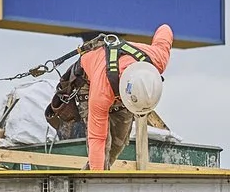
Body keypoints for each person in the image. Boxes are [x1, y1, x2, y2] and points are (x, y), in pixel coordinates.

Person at [51, 23, 173, 169]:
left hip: (120, 85)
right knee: (102, 150)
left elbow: (165, 29)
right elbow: (97, 138)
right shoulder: (101, 90)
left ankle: (100, 170)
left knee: (117, 144)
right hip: (89, 82)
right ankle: (93, 180)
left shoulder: (158, 59)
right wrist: (98, 179)